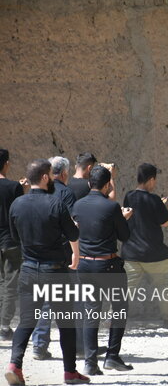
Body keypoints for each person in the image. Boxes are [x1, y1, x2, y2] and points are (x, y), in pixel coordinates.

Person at [5, 158, 89, 385]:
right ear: (44, 177)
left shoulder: (16, 205)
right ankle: (70, 372)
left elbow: (14, 238)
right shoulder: (56, 204)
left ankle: (15, 364)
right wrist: (75, 252)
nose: (53, 179)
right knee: (65, 322)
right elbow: (73, 234)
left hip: (29, 269)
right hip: (55, 272)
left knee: (26, 321)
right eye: (51, 175)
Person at [72, 166, 133, 376]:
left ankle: (90, 362)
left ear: (90, 183)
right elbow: (124, 236)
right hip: (108, 265)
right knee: (119, 309)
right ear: (107, 185)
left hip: (86, 265)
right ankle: (112, 357)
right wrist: (124, 218)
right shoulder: (112, 207)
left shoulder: (78, 205)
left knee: (91, 312)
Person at [121, 163, 168, 328]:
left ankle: (114, 318)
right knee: (165, 287)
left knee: (126, 290)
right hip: (154, 254)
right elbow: (165, 222)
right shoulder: (154, 199)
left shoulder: (129, 196)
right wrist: (167, 207)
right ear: (150, 180)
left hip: (131, 253)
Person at [31, 156, 78, 360]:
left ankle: (39, 343)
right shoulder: (66, 193)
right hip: (59, 254)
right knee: (58, 302)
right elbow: (71, 228)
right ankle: (69, 349)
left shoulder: (35, 195)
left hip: (34, 255)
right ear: (65, 173)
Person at [0, 149, 25, 342]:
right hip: (10, 240)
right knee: (10, 284)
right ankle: (4, 325)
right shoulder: (13, 186)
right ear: (6, 164)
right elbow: (18, 212)